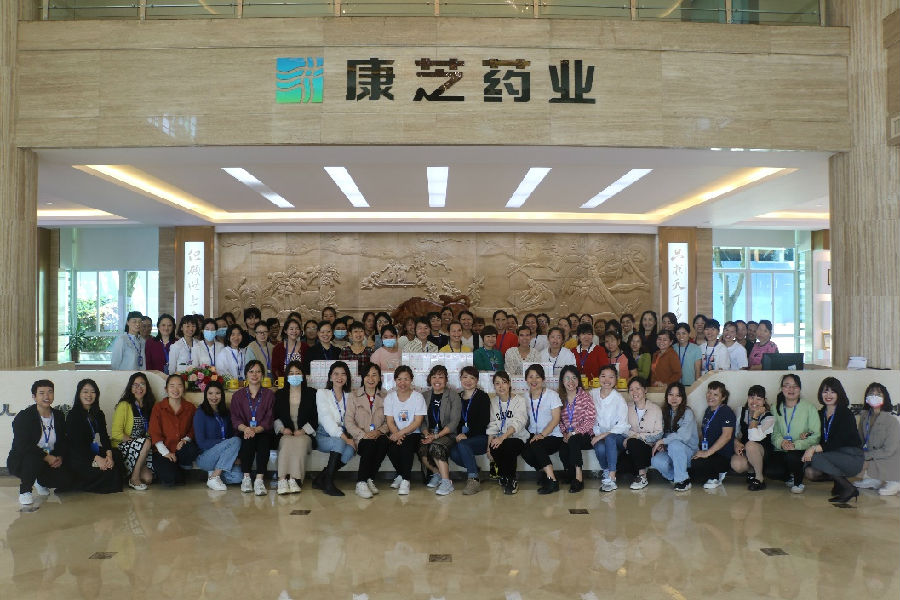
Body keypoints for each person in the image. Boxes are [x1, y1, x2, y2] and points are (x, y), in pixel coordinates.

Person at [8, 380, 74, 505]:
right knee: (34, 458)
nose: (46, 396)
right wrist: (46, 457)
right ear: (34, 397)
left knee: (65, 479)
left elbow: (63, 440)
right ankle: (25, 490)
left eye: (50, 392)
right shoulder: (24, 416)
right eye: (42, 393)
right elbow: (22, 445)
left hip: (50, 458)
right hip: (24, 460)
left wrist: (59, 456)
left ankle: (40, 481)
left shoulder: (58, 415)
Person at [802, 377, 865, 503]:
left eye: (832, 391)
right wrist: (808, 435)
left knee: (815, 457)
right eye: (825, 391)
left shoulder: (845, 413)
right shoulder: (820, 414)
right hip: (833, 456)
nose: (828, 395)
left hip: (851, 456)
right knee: (809, 472)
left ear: (839, 393)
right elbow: (821, 436)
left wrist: (814, 448)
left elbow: (840, 440)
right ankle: (839, 483)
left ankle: (848, 488)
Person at [65, 379, 123, 494]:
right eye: (85, 391)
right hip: (78, 453)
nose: (89, 395)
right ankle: (79, 483)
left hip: (91, 449)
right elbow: (76, 445)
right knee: (110, 472)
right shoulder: (73, 415)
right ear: (79, 394)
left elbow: (104, 436)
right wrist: (97, 459)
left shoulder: (98, 413)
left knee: (117, 456)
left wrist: (109, 456)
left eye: (93, 392)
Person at [770, 373, 821, 494]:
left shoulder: (809, 407)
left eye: (795, 386)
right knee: (771, 471)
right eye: (787, 385)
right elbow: (774, 433)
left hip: (801, 449)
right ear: (782, 388)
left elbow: (816, 435)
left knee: (792, 456)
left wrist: (795, 445)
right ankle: (789, 477)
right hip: (781, 449)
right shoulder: (775, 407)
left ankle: (798, 482)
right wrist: (781, 442)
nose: (791, 389)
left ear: (800, 389)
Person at [230, 360, 275, 496]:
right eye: (251, 371)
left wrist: (255, 430)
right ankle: (246, 478)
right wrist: (246, 429)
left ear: (262, 375)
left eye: (258, 372)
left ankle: (259, 480)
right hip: (244, 431)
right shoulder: (237, 396)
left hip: (263, 431)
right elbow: (235, 418)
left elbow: (269, 418)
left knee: (263, 442)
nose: (254, 375)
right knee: (247, 441)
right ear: (246, 375)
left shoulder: (269, 395)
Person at [444, 366, 491, 495]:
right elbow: (455, 420)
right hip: (463, 438)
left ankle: (473, 480)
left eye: (472, 378)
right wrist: (459, 434)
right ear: (460, 379)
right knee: (453, 452)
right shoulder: (457, 397)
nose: (468, 381)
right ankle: (476, 470)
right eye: (465, 377)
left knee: (463, 444)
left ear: (477, 381)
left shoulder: (482, 397)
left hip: (481, 438)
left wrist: (467, 435)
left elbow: (484, 421)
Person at [273, 360, 318, 494]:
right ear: (287, 376)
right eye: (291, 373)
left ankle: (294, 479)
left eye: (297, 373)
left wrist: (304, 430)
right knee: (286, 442)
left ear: (303, 375)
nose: (294, 376)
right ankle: (282, 480)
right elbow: (274, 417)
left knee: (300, 442)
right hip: (286, 433)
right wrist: (282, 429)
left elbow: (316, 418)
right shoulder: (280, 394)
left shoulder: (312, 393)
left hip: (305, 434)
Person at [346, 363, 389, 499]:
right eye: (367, 375)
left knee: (384, 442)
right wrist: (363, 435)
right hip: (360, 437)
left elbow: (389, 421)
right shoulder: (354, 395)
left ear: (379, 378)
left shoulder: (385, 396)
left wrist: (379, 431)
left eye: (374, 375)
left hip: (378, 435)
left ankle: (370, 478)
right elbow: (348, 422)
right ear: (362, 378)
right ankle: (361, 482)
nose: (371, 379)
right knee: (369, 444)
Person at [418, 365, 462, 496]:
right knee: (421, 448)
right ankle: (437, 473)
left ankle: (447, 482)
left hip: (447, 433)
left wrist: (436, 436)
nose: (437, 380)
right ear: (430, 379)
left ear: (446, 380)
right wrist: (426, 433)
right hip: (429, 432)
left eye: (441, 377)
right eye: (434, 377)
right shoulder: (424, 396)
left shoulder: (453, 395)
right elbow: (421, 420)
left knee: (436, 446)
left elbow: (454, 421)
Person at [312, 361, 355, 496]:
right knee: (339, 442)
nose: (339, 377)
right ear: (330, 377)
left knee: (350, 451)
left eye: (343, 374)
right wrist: (345, 439)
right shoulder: (322, 393)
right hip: (323, 434)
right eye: (336, 374)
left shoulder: (350, 396)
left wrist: (350, 438)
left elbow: (351, 419)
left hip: (343, 434)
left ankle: (320, 478)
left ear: (347, 377)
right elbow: (326, 419)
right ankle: (329, 484)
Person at [519, 364, 563, 495]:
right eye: (530, 377)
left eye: (537, 377)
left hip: (553, 435)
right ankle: (545, 473)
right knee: (524, 450)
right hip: (533, 434)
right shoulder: (524, 397)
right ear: (526, 379)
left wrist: (542, 435)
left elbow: (556, 419)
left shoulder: (552, 395)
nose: (534, 380)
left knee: (536, 444)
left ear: (543, 379)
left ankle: (552, 480)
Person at [148, 374, 200, 486]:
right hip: (163, 450)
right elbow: (154, 432)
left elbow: (194, 428)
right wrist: (165, 452)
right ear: (166, 389)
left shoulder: (190, 407)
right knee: (169, 480)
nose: (175, 390)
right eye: (172, 386)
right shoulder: (158, 408)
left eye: (179, 386)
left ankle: (181, 467)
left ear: (183, 389)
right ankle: (176, 471)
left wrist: (186, 439)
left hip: (181, 450)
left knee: (191, 449)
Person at [383, 365, 427, 495]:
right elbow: (390, 421)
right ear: (395, 380)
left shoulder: (418, 397)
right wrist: (396, 434)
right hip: (396, 432)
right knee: (390, 447)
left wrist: (400, 434)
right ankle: (401, 474)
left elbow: (418, 422)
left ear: (411, 380)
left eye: (406, 379)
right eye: (399, 379)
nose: (402, 383)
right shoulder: (390, 397)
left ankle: (406, 480)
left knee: (406, 445)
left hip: (414, 433)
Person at [193, 380, 243, 491]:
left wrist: (232, 454)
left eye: (217, 393)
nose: (214, 397)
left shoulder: (226, 413)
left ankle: (214, 473)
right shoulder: (200, 413)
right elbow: (201, 442)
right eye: (210, 393)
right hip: (205, 456)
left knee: (238, 477)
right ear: (206, 395)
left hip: (223, 457)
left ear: (222, 395)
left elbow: (231, 435)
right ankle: (215, 477)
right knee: (235, 440)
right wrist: (226, 443)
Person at [111, 372, 156, 491]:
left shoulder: (149, 406)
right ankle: (134, 478)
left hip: (143, 447)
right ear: (130, 388)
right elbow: (116, 433)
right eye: (135, 385)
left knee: (148, 479)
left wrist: (143, 444)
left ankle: (129, 472)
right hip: (123, 445)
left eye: (142, 384)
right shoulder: (124, 405)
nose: (139, 388)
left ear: (147, 387)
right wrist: (137, 443)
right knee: (146, 442)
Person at [486, 370, 528, 495]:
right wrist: (488, 447)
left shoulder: (519, 400)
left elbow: (518, 422)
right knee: (494, 446)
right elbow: (493, 425)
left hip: (518, 438)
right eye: (497, 383)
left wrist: (502, 437)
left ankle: (511, 479)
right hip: (501, 438)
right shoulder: (494, 402)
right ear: (494, 386)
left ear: (509, 384)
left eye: (504, 382)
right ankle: (504, 475)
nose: (501, 386)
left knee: (508, 445)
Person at [651, 382, 699, 492]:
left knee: (675, 444)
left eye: (678, 395)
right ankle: (677, 477)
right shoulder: (664, 412)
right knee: (656, 461)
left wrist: (663, 441)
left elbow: (683, 436)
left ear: (683, 398)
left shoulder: (688, 413)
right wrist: (662, 444)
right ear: (666, 396)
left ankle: (682, 480)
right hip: (670, 451)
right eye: (671, 394)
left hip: (689, 453)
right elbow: (661, 433)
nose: (674, 398)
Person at [556, 366, 597, 493]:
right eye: (567, 378)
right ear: (562, 381)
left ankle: (579, 478)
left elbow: (590, 420)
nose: (571, 381)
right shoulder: (559, 397)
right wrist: (564, 433)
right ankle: (570, 474)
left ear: (578, 380)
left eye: (574, 378)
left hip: (584, 434)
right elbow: (557, 419)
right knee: (563, 449)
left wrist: (573, 433)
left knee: (573, 440)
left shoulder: (585, 397)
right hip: (567, 434)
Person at [590, 365, 630, 492]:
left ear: (616, 379)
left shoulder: (619, 399)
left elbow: (623, 425)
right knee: (600, 448)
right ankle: (606, 471)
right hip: (599, 434)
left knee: (610, 439)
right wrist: (598, 434)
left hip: (618, 436)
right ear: (598, 378)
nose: (607, 380)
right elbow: (590, 417)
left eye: (611, 377)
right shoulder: (592, 394)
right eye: (603, 376)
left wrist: (603, 435)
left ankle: (612, 478)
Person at [855, 382, 900, 496]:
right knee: (853, 462)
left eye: (878, 394)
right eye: (871, 393)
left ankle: (895, 481)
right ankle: (874, 479)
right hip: (873, 456)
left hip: (891, 459)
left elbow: (889, 450)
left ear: (885, 398)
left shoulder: (892, 421)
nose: (874, 396)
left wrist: (866, 456)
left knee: (863, 462)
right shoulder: (864, 417)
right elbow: (860, 440)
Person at [691, 381, 736, 490]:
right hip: (709, 452)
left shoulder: (726, 411)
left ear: (723, 397)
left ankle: (717, 476)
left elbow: (727, 436)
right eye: (709, 393)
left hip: (721, 456)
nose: (710, 396)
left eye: (715, 394)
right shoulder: (708, 410)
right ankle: (709, 474)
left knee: (697, 466)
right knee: (691, 462)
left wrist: (707, 453)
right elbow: (704, 433)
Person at [730, 384, 775, 491]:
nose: (754, 402)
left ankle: (759, 478)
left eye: (758, 399)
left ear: (764, 401)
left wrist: (755, 416)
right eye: (751, 397)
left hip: (762, 451)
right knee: (737, 464)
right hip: (745, 448)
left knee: (750, 445)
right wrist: (736, 443)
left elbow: (754, 437)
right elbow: (731, 433)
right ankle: (751, 471)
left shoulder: (769, 417)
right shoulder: (740, 411)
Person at [621, 377, 663, 490]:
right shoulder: (627, 408)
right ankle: (639, 467)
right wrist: (633, 437)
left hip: (649, 449)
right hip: (631, 448)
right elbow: (623, 428)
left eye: (637, 388)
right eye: (631, 389)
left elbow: (659, 434)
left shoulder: (655, 409)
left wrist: (637, 436)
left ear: (645, 390)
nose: (634, 392)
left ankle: (642, 476)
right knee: (620, 464)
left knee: (633, 442)